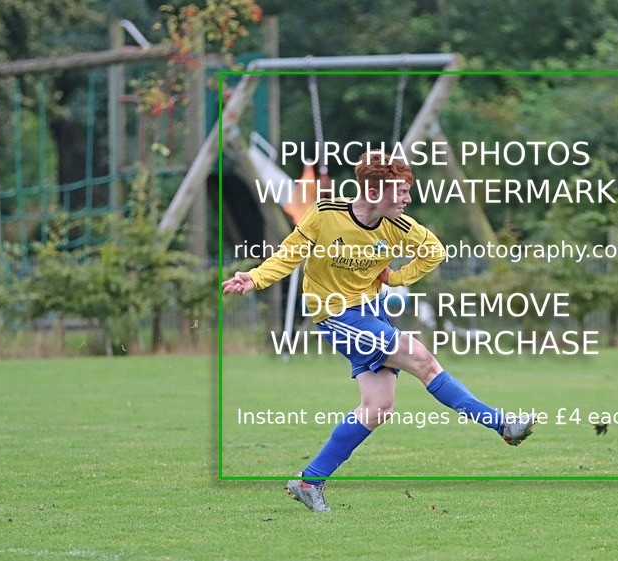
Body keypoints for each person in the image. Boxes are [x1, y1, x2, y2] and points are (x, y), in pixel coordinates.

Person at [222, 151, 536, 512]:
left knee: (378, 407)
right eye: (400, 191)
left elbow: (434, 251)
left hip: (371, 312)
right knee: (423, 360)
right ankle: (502, 425)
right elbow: (288, 255)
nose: (407, 199)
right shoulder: (326, 214)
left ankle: (310, 482)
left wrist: (397, 277)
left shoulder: (396, 225)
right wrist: (255, 277)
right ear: (374, 191)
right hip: (335, 312)